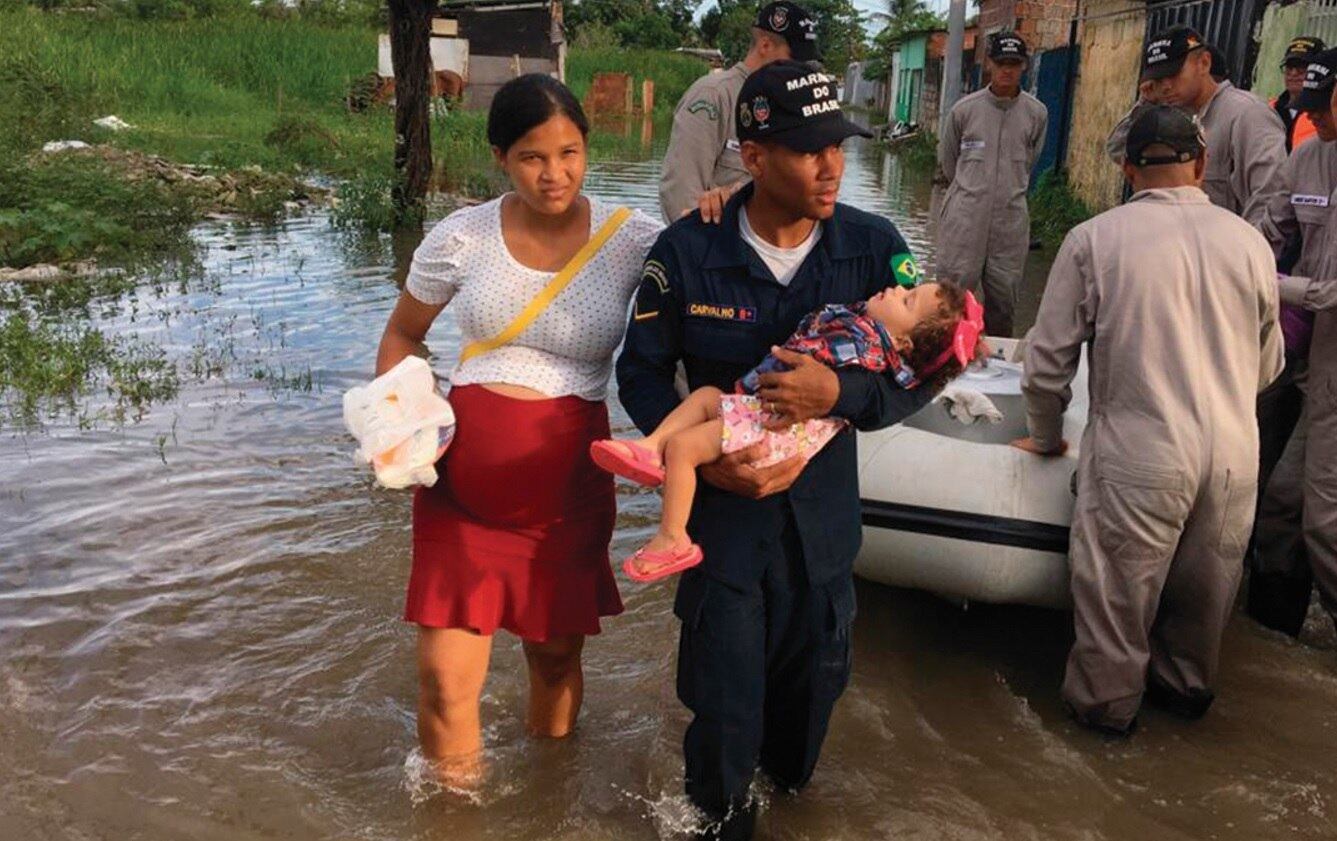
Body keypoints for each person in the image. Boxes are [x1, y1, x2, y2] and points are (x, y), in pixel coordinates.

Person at [617, 61, 934, 839]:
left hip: (821, 531)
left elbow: (932, 366)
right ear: (752, 157)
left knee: (806, 717)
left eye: (838, 146)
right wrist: (707, 459)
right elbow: (642, 369)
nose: (831, 165)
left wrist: (844, 396)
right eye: (805, 149)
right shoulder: (688, 248)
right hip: (722, 529)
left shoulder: (876, 247)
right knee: (723, 715)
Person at [374, 74, 662, 785]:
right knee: (444, 683)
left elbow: (713, 277)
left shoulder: (635, 242)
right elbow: (403, 336)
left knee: (556, 661)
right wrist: (402, 429)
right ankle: (454, 818)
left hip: (567, 494)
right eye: (533, 157)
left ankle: (547, 799)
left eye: (569, 153)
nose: (554, 173)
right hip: (458, 492)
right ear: (500, 155)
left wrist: (720, 205)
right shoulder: (461, 237)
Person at [1016, 105, 1283, 736]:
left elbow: (1047, 366)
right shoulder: (1250, 242)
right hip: (1234, 462)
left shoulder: (1094, 240)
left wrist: (1048, 437)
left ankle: (1103, 748)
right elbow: (1268, 366)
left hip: (1140, 458)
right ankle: (1184, 716)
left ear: (1128, 168)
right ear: (1203, 164)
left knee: (1113, 628)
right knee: (1197, 631)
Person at [596, 282, 980, 581]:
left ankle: (673, 537)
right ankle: (648, 448)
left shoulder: (866, 344)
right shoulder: (866, 324)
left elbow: (907, 383)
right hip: (757, 409)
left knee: (684, 448)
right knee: (704, 395)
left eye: (908, 299)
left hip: (772, 425)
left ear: (901, 342)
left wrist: (837, 392)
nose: (896, 287)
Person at [1251, 47, 1337, 634]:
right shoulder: (1307, 157)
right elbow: (1270, 231)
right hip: (1306, 354)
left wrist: (1285, 288)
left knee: (1323, 518)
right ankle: (1273, 636)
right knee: (1280, 504)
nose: (1316, 118)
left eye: (1323, 106)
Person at [1106, 25, 1286, 228]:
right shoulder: (1172, 116)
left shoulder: (1246, 115)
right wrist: (1145, 103)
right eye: (1157, 79)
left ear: (1204, 63)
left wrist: (1246, 255)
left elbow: (1271, 199)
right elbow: (1118, 151)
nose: (1165, 86)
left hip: (1224, 252)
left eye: (1173, 74)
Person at [658, 1, 819, 223]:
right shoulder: (713, 95)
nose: (799, 71)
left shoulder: (790, 105)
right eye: (794, 60)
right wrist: (700, 250)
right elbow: (680, 192)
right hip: (716, 246)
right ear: (765, 45)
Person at [935, 31, 1048, 338]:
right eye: (1001, 63)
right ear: (989, 64)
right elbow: (949, 162)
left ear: (1024, 66)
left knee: (1003, 304)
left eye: (1014, 63)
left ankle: (996, 370)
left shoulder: (1036, 114)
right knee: (950, 300)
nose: (1007, 71)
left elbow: (1029, 161)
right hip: (965, 219)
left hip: (1009, 223)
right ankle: (941, 367)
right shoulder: (964, 111)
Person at [1272, 35, 1326, 152]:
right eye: (1289, 67)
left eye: (1302, 67)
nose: (1294, 73)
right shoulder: (1268, 109)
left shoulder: (1326, 115)